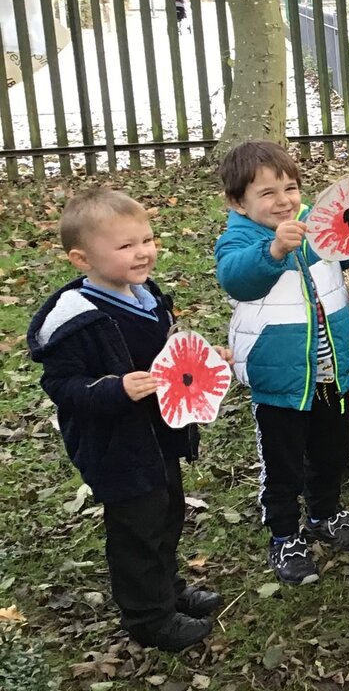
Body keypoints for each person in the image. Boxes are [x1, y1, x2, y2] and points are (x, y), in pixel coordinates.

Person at [27, 189, 219, 651]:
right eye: (125, 246)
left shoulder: (145, 295)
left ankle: (169, 592)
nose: (143, 252)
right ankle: (149, 619)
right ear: (81, 258)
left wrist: (207, 360)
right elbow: (62, 385)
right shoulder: (77, 317)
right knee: (137, 529)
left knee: (168, 512)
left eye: (147, 240)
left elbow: (167, 355)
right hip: (118, 446)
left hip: (159, 435)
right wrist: (114, 389)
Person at [215, 141, 349, 586]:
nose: (284, 201)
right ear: (237, 203)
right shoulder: (241, 240)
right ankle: (284, 535)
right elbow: (236, 278)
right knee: (283, 464)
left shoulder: (315, 225)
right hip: (280, 379)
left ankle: (325, 513)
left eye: (290, 188)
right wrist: (274, 252)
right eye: (267, 193)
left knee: (330, 451)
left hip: (330, 372)